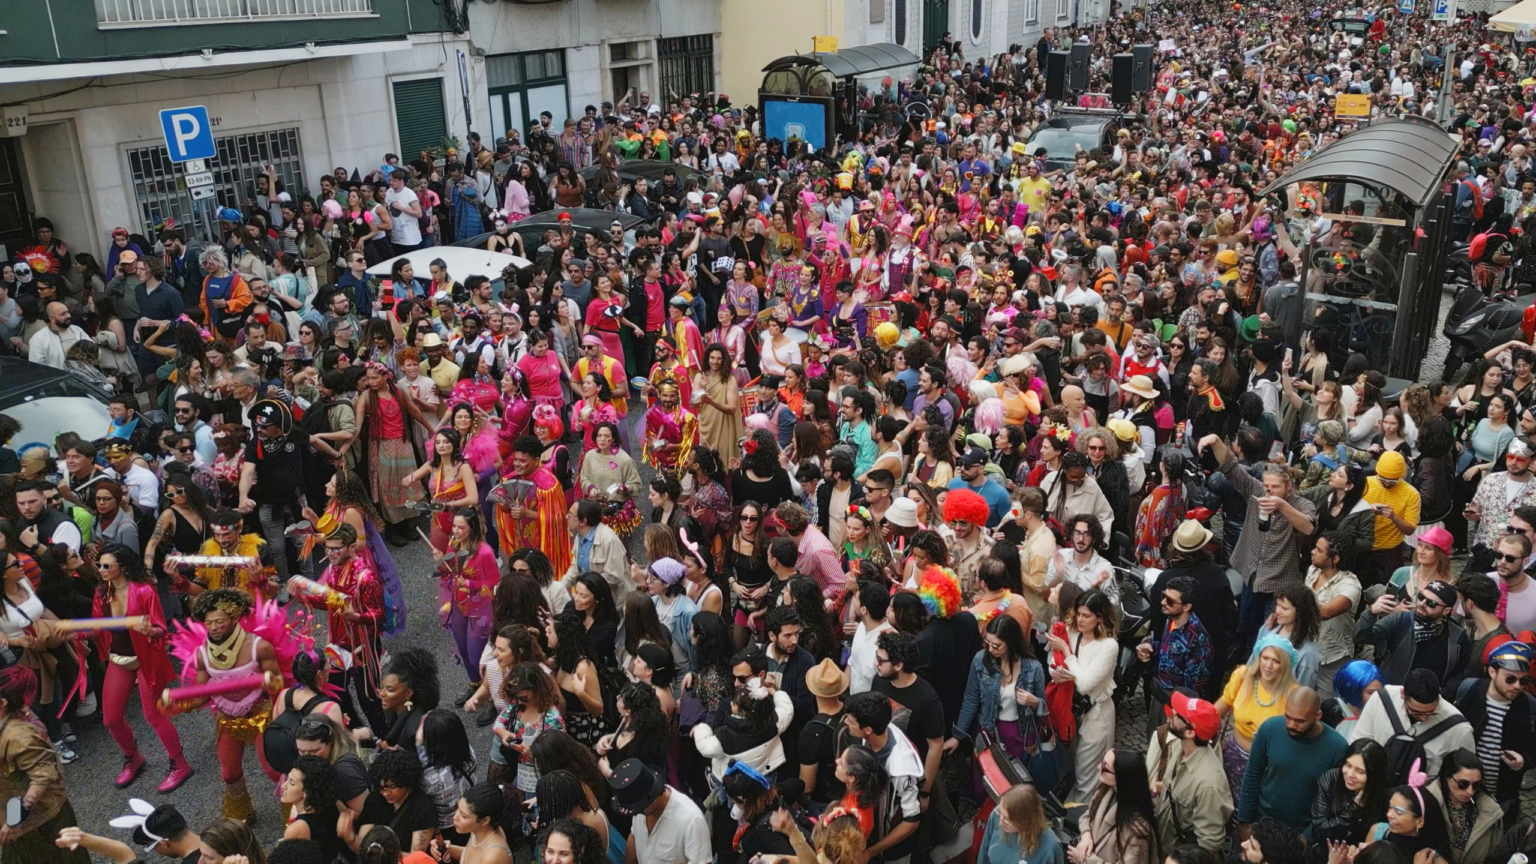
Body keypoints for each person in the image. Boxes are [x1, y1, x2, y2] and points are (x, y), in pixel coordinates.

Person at [161, 587, 282, 823]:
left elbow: (278, 684)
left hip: (261, 715)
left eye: (220, 622)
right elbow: (202, 695)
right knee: (229, 774)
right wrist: (179, 705)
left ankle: (295, 814)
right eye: (209, 623)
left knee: (274, 770)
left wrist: (270, 685)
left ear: (234, 618)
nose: (214, 628)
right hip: (227, 719)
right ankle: (242, 815)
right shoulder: (202, 655)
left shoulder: (259, 646)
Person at [91, 545, 191, 793]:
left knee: (154, 715)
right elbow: (96, 627)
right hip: (119, 659)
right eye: (99, 566)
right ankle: (133, 757)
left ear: (122, 567)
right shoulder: (102, 593)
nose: (101, 570)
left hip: (146, 660)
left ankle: (180, 764)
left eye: (107, 566)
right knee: (111, 719)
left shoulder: (144, 591)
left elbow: (161, 629)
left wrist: (150, 630)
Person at [0, 665, 90, 863]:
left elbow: (42, 776)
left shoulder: (19, 736)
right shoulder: (7, 720)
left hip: (42, 822)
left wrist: (15, 819)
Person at [1235, 687, 1348, 836]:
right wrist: (1244, 821)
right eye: (1287, 717)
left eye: (1300, 721)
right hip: (1263, 822)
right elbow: (1252, 774)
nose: (1291, 725)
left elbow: (1332, 803)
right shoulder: (1270, 729)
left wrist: (1306, 839)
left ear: (1318, 716)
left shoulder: (1337, 747)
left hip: (1301, 831)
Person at [1048, 588, 1119, 805]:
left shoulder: (1109, 646)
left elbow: (1086, 683)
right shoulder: (1072, 633)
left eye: (1086, 615)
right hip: (1071, 711)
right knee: (1071, 767)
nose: (1080, 619)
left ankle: (1084, 821)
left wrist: (1068, 655)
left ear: (1100, 618)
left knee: (1087, 775)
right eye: (1078, 614)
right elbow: (1052, 658)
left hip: (1096, 716)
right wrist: (1056, 672)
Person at [951, 614, 1047, 772]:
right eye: (987, 643)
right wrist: (958, 736)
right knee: (985, 782)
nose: (990, 649)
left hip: (1020, 733)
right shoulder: (980, 660)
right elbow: (971, 700)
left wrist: (1034, 702)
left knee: (1013, 784)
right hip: (988, 730)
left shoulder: (1033, 668)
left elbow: (1043, 708)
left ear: (1011, 643)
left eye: (997, 646)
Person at [1449, 641, 1536, 807]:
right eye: (1510, 679)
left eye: (1523, 680)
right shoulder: (1468, 691)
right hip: (1460, 792)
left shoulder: (1529, 707)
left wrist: (1524, 760)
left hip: (1501, 798)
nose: (1517, 686)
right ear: (1492, 672)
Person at [1144, 690, 1231, 854]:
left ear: (1190, 732)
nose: (1173, 712)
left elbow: (1208, 846)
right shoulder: (1181, 747)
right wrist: (1163, 788)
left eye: (1179, 715)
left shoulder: (1209, 784)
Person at [1351, 668, 1476, 779]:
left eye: (1431, 712)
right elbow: (1358, 743)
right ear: (1403, 694)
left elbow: (1465, 774)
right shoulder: (1381, 699)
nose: (1423, 718)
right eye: (1415, 712)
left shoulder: (1459, 729)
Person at [1354, 579, 1470, 687]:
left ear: (1446, 611)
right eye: (1421, 597)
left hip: (1431, 703)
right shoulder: (1399, 621)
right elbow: (1361, 637)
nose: (1422, 604)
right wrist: (1371, 613)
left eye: (1431, 603)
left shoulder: (1458, 636)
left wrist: (1444, 693)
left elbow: (1461, 673)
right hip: (1394, 695)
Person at [608, 758, 711, 864]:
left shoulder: (691, 820)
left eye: (639, 809)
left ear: (652, 797)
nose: (637, 813)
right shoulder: (640, 805)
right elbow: (634, 835)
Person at [1069, 748, 1159, 864]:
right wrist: (1086, 836)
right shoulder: (1105, 790)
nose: (1099, 767)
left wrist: (1087, 860)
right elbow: (1089, 815)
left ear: (1121, 776)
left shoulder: (1138, 829)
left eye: (1105, 767)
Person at [1425, 749, 1502, 864]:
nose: (1470, 791)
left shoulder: (1490, 809)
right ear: (1447, 777)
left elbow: (1495, 850)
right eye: (1463, 784)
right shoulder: (1424, 803)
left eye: (1476, 785)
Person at [976, 783, 1065, 864]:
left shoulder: (1049, 847)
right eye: (1000, 813)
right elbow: (983, 857)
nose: (1000, 823)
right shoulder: (996, 815)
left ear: (1025, 820)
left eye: (1007, 819)